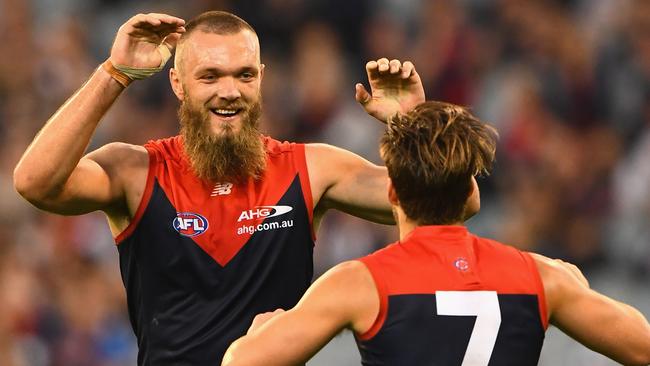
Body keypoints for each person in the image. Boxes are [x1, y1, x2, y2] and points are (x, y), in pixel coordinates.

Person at [12, 11, 425, 365]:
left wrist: (415, 125)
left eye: (244, 75)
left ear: (261, 79)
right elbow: (35, 183)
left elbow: (451, 204)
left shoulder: (310, 169)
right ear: (177, 83)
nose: (229, 91)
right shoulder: (136, 170)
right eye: (209, 76)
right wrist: (114, 73)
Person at [222, 101, 650, 366]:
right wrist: (573, 285)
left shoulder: (358, 283)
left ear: (391, 192)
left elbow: (241, 363)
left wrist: (262, 331)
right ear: (470, 192)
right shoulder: (541, 277)